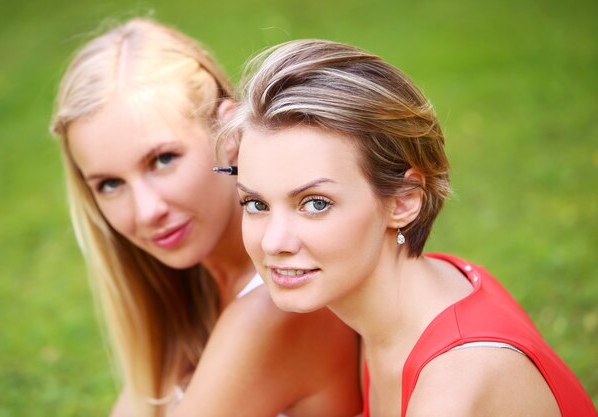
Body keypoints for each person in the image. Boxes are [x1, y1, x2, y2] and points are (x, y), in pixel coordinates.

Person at [227, 39, 597, 417]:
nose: (274, 241)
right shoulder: (427, 289)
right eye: (256, 204)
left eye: (316, 204)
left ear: (403, 201)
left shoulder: (453, 385)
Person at [50, 20, 362, 417]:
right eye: (110, 184)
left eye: (163, 160)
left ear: (228, 135)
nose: (147, 211)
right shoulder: (193, 286)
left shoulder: (277, 303)